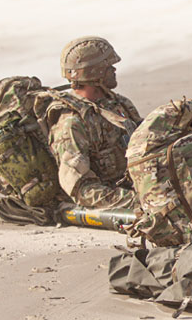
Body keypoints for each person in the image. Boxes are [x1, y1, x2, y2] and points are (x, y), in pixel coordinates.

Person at [45, 36, 141, 209]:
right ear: (93, 73)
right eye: (107, 67)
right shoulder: (72, 123)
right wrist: (137, 200)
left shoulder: (119, 104)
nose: (113, 69)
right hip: (115, 195)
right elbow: (82, 189)